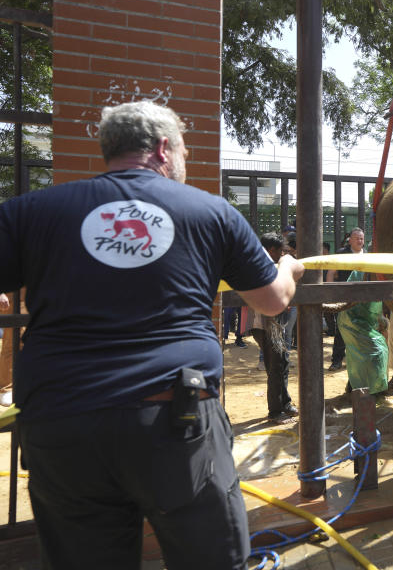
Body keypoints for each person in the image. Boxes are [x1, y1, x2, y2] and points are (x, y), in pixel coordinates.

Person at [0, 101, 305, 568]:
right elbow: (272, 300)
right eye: (184, 150)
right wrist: (288, 266)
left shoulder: (31, 211)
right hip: (173, 422)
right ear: (164, 148)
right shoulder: (210, 212)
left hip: (60, 424)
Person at [249, 232, 299, 424]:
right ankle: (275, 411)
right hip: (265, 324)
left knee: (282, 363)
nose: (281, 254)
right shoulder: (262, 265)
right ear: (271, 250)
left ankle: (284, 402)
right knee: (276, 366)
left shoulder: (263, 262)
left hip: (273, 322)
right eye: (280, 251)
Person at [337, 270, 389, 396]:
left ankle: (366, 388)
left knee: (365, 355)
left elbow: (375, 309)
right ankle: (370, 389)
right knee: (375, 351)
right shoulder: (358, 277)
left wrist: (381, 322)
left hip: (366, 325)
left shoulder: (377, 282)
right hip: (350, 322)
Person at [325, 227, 365, 371]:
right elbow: (331, 273)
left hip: (363, 298)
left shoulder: (367, 255)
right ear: (350, 240)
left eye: (361, 238)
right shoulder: (342, 253)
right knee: (341, 329)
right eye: (357, 238)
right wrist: (330, 294)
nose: (360, 241)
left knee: (361, 328)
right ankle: (336, 361)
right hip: (344, 297)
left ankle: (358, 360)